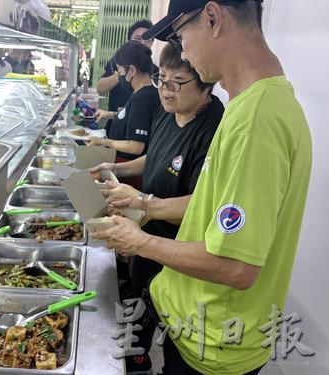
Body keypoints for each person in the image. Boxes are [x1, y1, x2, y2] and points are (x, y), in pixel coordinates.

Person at [93, 1, 312, 374]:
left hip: (212, 344)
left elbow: (237, 267)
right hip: (195, 327)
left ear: (212, 18)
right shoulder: (253, 105)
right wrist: (147, 206)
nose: (185, 52)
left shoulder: (257, 121)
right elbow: (215, 209)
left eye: (180, 35)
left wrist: (140, 241)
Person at [92, 43, 224, 374]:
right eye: (161, 78)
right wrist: (118, 169)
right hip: (146, 234)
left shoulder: (213, 127)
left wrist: (147, 206)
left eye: (176, 81)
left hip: (179, 249)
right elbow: (156, 156)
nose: (165, 89)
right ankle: (137, 361)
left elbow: (206, 203)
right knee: (139, 303)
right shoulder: (169, 113)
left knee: (170, 326)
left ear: (204, 81)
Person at [86, 41, 161, 190]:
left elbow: (136, 146)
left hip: (130, 172)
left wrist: (105, 142)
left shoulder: (143, 98)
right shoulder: (145, 92)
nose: (120, 77)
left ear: (132, 70)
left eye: (120, 72)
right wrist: (111, 114)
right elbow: (134, 117)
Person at [96, 20, 156, 136]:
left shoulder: (156, 72)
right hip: (116, 129)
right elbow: (100, 88)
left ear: (152, 44)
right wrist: (122, 72)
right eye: (138, 39)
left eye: (147, 40)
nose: (142, 44)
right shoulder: (116, 63)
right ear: (128, 41)